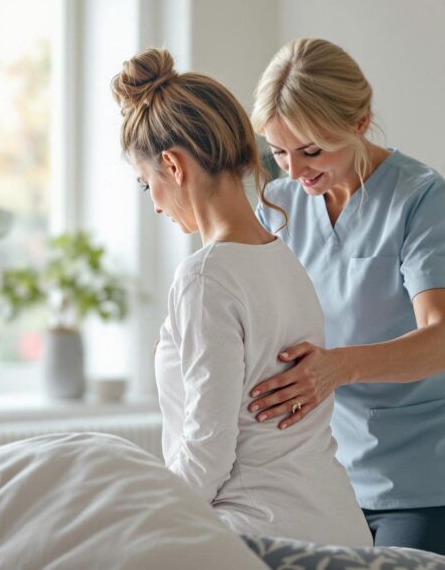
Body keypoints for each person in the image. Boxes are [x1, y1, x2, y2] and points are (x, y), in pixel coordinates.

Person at [246, 38, 445, 564]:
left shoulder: (422, 201)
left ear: (360, 122)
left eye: (312, 150)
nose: (294, 171)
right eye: (279, 152)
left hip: (432, 487)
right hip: (328, 484)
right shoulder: (280, 205)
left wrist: (335, 368)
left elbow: (444, 343)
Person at [111, 47, 371, 547]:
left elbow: (208, 450)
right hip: (342, 529)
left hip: (262, 537)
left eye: (148, 186)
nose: (156, 205)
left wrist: (147, 524)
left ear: (173, 164)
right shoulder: (283, 258)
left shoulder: (207, 276)